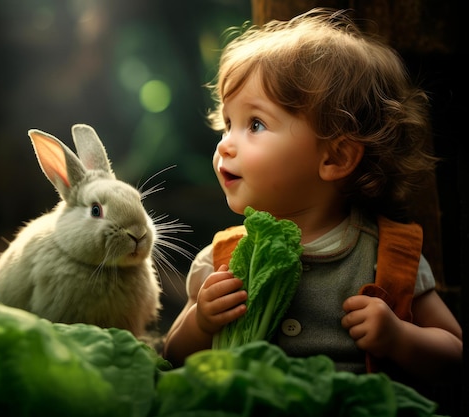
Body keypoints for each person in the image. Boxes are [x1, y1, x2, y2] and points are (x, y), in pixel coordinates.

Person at [162, 8, 462, 386]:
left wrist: (400, 337)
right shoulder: (223, 261)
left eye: (255, 124)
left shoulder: (388, 257)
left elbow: (454, 354)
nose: (226, 145)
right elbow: (171, 355)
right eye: (227, 124)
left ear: (335, 157)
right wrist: (200, 323)